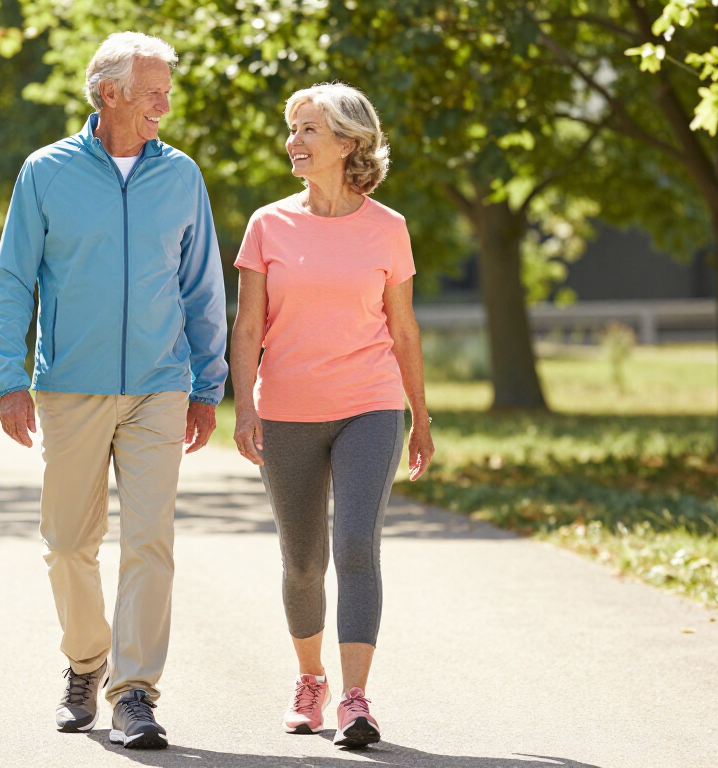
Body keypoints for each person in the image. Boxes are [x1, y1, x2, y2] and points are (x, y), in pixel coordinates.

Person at [0, 31, 227, 751]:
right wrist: (9, 377)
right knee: (67, 543)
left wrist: (207, 384)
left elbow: (202, 285)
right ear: (109, 92)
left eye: (167, 90)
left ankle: (135, 694)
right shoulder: (46, 172)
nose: (166, 102)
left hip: (160, 385)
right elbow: (13, 280)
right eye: (154, 90)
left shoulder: (181, 175)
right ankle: (85, 661)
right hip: (70, 387)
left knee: (151, 541)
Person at [229, 82, 433, 750]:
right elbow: (248, 325)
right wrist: (245, 405)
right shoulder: (267, 225)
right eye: (291, 128)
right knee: (303, 561)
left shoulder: (389, 228)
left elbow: (403, 331)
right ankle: (309, 679)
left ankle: (354, 698)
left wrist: (421, 417)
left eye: (308, 129)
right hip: (286, 409)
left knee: (355, 546)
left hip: (370, 405)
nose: (293, 141)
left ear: (348, 141)